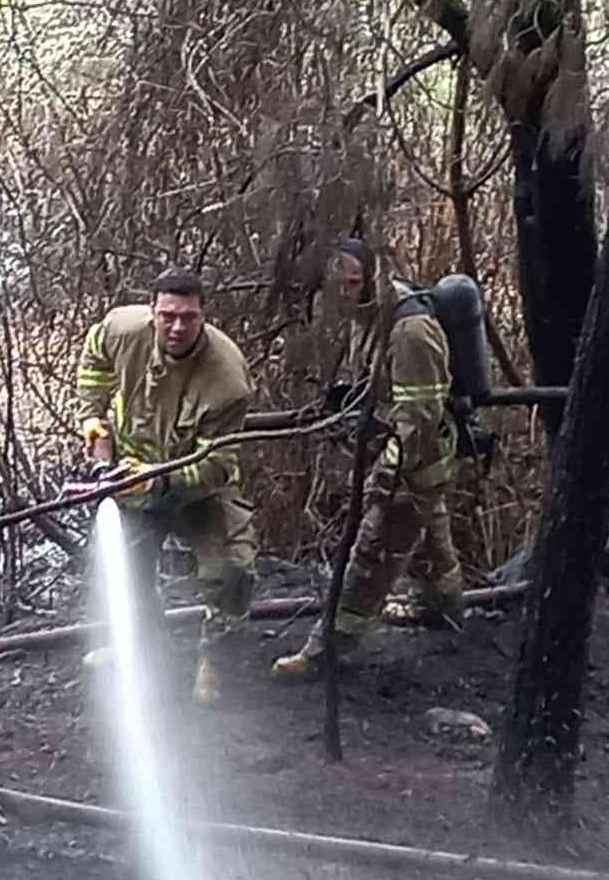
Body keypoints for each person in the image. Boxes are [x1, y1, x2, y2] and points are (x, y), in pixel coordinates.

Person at [272, 238, 463, 680]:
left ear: (373, 276)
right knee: (430, 539)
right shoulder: (368, 317)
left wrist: (385, 476)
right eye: (337, 283)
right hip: (405, 455)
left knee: (373, 551)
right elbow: (381, 388)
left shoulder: (410, 331)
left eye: (353, 281)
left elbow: (418, 419)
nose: (344, 291)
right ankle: (445, 610)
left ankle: (327, 651)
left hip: (414, 462)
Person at [74, 270, 256, 705]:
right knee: (120, 567)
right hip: (132, 476)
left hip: (200, 489)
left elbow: (218, 465)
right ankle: (141, 649)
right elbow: (94, 359)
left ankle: (215, 661)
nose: (177, 327)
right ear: (153, 312)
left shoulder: (227, 378)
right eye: (168, 316)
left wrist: (159, 477)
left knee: (232, 569)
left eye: (188, 318)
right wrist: (92, 416)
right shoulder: (121, 329)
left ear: (203, 317)